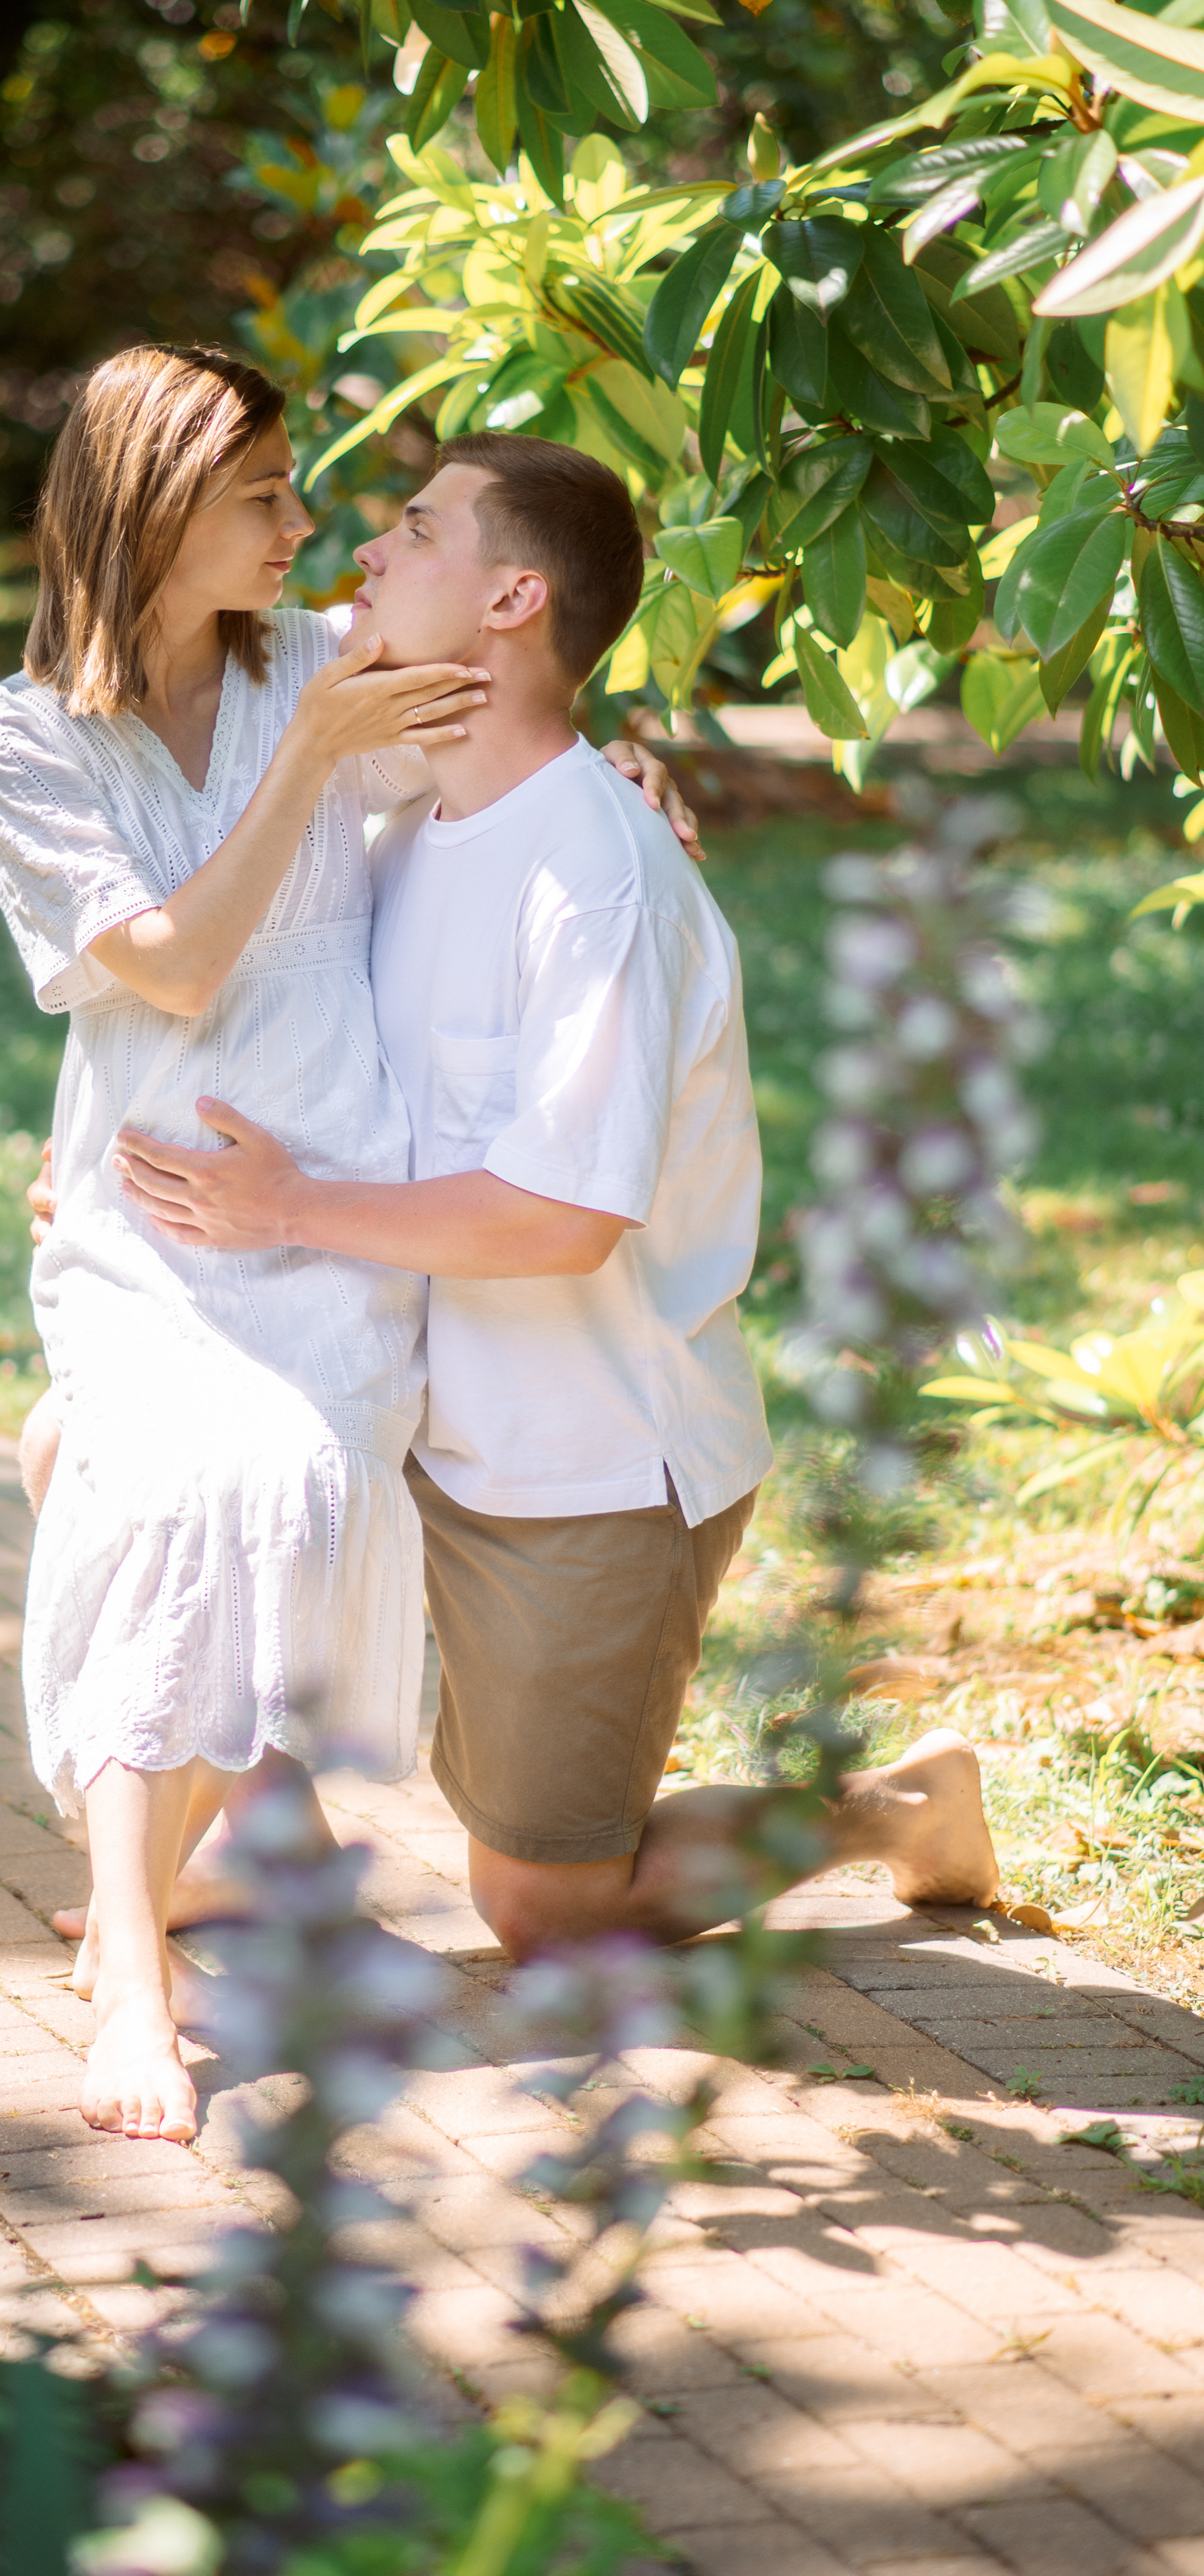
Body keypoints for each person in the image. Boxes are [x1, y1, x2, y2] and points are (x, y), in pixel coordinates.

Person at [114, 432, 1000, 1955]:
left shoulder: (597, 874)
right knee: (125, 1456)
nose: (364, 556)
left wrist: (279, 1208)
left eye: (412, 529)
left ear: (513, 596)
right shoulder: (391, 839)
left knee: (540, 1906)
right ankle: (265, 1850)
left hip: (578, 1461)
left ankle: (898, 1809)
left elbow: (557, 1219)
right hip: (401, 1420)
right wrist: (120, 1181)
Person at [0, 349, 693, 2146]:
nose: (311, 531)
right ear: (155, 510)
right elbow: (173, 968)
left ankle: (229, 1846)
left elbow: (534, 740)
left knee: (273, 1484)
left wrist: (644, 791)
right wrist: (307, 760)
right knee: (161, 1486)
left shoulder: (327, 664)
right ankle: (134, 1963)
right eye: (267, 496)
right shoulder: (23, 738)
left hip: (326, 1202)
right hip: (147, 1223)